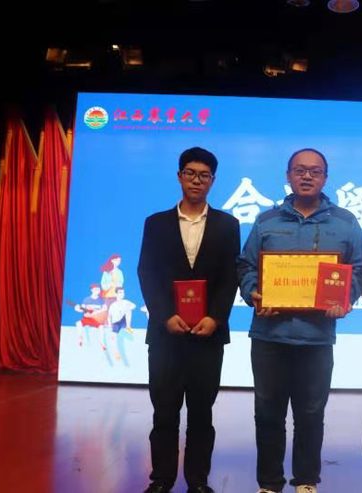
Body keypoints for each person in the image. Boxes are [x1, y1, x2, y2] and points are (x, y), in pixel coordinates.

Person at [237, 148, 362, 493]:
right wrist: (255, 293)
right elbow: (247, 265)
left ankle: (306, 481)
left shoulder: (345, 222)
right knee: (267, 414)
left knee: (311, 415)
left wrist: (343, 298)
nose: (307, 176)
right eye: (300, 170)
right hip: (269, 336)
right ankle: (269, 483)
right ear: (288, 176)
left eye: (315, 171)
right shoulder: (267, 220)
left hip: (316, 337)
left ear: (325, 178)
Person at [138, 146, 240, 493]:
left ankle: (198, 481)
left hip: (207, 336)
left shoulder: (228, 225)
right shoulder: (156, 223)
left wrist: (216, 317)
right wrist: (164, 316)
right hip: (166, 335)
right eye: (190, 173)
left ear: (213, 180)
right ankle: (161, 479)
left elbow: (230, 277)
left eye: (204, 175)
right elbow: (147, 272)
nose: (197, 180)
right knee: (164, 412)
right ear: (180, 176)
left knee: (201, 414)